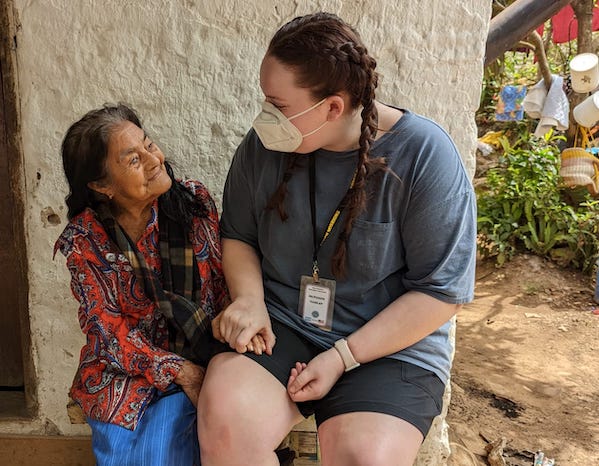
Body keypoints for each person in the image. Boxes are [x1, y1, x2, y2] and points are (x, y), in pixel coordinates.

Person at [198, 12, 477, 466]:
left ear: (332, 107)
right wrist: (248, 300)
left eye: (279, 105)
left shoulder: (424, 155)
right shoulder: (262, 147)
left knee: (364, 458)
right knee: (225, 422)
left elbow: (441, 293)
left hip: (389, 344)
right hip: (284, 324)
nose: (266, 116)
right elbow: (239, 235)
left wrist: (343, 357)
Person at [54, 104, 227, 466]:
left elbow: (221, 289)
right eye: (133, 160)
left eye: (149, 144)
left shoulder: (193, 202)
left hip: (201, 350)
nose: (154, 160)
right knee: (131, 447)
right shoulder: (86, 239)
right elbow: (107, 330)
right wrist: (180, 371)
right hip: (124, 368)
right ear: (103, 186)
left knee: (171, 445)